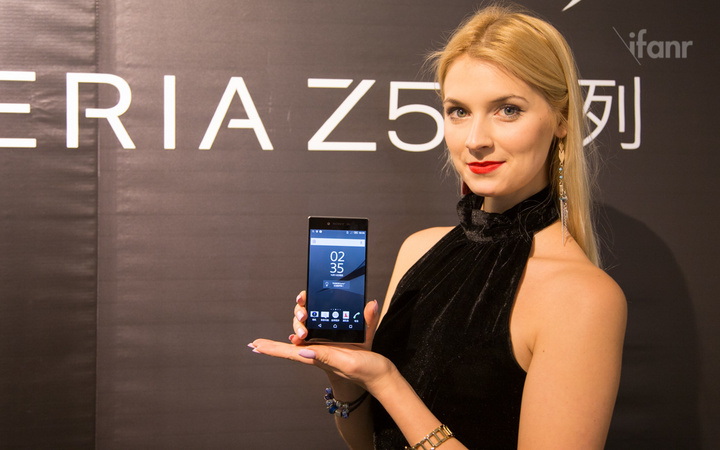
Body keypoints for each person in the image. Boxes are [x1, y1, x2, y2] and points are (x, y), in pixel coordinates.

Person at [250, 4, 626, 449]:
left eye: (508, 110)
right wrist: (347, 372)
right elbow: (370, 443)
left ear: (561, 119)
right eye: (458, 111)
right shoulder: (419, 249)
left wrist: (387, 381)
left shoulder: (583, 297)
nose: (475, 140)